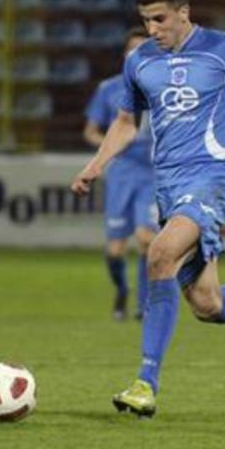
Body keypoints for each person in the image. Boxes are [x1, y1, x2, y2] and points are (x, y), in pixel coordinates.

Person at [71, 0, 225, 418]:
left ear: (184, 13)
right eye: (146, 20)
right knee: (207, 304)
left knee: (158, 253)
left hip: (214, 176)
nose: (153, 29)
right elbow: (126, 123)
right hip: (170, 187)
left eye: (160, 19)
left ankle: (145, 383)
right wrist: (95, 165)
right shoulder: (139, 61)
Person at [83, 26, 157, 321]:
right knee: (115, 250)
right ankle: (122, 290)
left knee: (146, 239)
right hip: (121, 173)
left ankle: (142, 305)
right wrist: (113, 145)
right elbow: (90, 132)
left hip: (152, 173)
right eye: (132, 50)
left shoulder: (165, 88)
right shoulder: (109, 89)